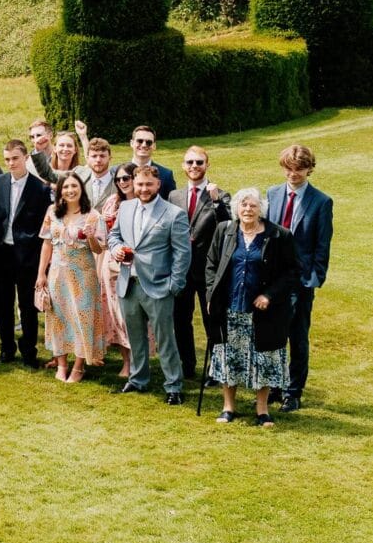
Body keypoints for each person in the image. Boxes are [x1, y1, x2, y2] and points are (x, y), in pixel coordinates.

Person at [205, 189, 298, 426]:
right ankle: (228, 407)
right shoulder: (224, 231)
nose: (248, 209)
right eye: (243, 205)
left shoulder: (279, 235)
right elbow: (211, 265)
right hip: (230, 308)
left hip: (264, 312)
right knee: (229, 356)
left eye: (253, 206)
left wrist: (269, 295)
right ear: (237, 208)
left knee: (263, 358)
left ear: (261, 210)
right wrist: (210, 294)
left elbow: (291, 273)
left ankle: (262, 409)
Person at [106, 165, 192, 404]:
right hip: (128, 283)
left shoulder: (174, 214)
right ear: (133, 184)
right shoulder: (125, 207)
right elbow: (114, 236)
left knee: (165, 339)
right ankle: (138, 379)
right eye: (139, 184)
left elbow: (182, 254)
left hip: (158, 286)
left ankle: (173, 385)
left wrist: (174, 285)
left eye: (148, 184)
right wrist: (116, 249)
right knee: (135, 336)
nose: (143, 189)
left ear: (158, 185)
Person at [266, 144, 333, 412]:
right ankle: (274, 385)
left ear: (309, 169)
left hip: (302, 279)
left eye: (299, 169)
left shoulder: (321, 201)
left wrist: (314, 279)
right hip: (273, 279)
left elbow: (322, 245)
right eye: (289, 169)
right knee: (272, 334)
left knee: (297, 335)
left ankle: (293, 391)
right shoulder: (271, 194)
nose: (293, 174)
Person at [36, 172, 106, 383]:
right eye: (65, 187)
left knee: (81, 318)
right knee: (58, 318)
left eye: (74, 186)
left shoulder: (93, 215)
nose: (70, 191)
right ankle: (61, 363)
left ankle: (78, 366)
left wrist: (91, 235)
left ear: (81, 189)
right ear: (60, 191)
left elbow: (99, 249)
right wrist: (41, 274)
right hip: (57, 274)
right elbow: (47, 243)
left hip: (83, 275)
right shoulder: (52, 212)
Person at [168, 146, 230, 380]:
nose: (194, 166)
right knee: (181, 320)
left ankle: (216, 369)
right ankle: (187, 364)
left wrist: (216, 202)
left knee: (212, 319)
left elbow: (227, 227)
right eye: (190, 162)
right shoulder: (174, 196)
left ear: (207, 165)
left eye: (199, 162)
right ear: (184, 166)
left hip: (208, 269)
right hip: (181, 268)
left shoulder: (220, 195)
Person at [0, 140, 51, 367]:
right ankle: (6, 348)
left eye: (15, 158)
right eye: (7, 159)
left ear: (25, 157)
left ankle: (28, 350)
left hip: (27, 256)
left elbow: (44, 225)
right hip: (2, 253)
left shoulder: (40, 188)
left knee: (27, 306)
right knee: (3, 304)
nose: (11, 163)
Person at [96, 163, 137, 376]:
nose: (123, 182)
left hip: (138, 265)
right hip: (112, 263)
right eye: (119, 179)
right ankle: (126, 362)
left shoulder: (143, 201)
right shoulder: (112, 202)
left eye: (127, 178)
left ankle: (139, 361)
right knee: (115, 315)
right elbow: (103, 235)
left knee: (134, 315)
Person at [128, 125, 176, 199]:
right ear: (132, 143)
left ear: (154, 146)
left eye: (148, 142)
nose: (144, 145)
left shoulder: (166, 175)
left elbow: (172, 204)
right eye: (140, 141)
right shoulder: (117, 172)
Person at [82, 138, 117, 210]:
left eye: (102, 156)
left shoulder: (119, 184)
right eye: (94, 156)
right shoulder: (80, 180)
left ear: (110, 158)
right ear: (87, 159)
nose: (98, 160)